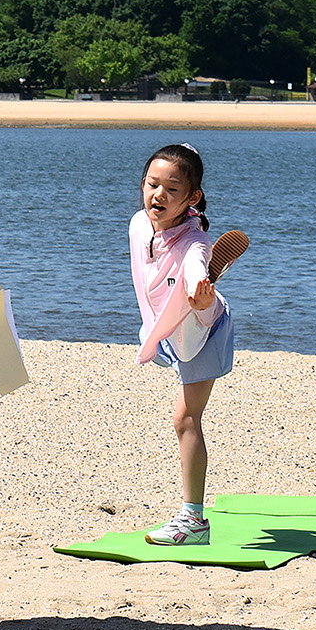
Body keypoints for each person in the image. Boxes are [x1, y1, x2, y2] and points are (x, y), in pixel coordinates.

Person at [127, 144, 246, 546]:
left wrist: (200, 286)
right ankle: (195, 301)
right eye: (152, 184)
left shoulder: (194, 243)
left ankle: (194, 521)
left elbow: (194, 257)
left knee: (185, 419)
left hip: (205, 328)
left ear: (192, 197)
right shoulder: (139, 225)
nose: (157, 195)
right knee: (170, 350)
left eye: (171, 190)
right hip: (171, 327)